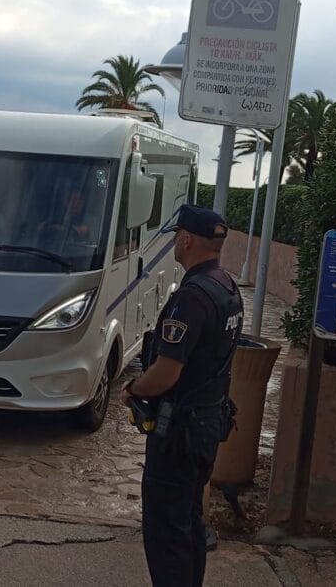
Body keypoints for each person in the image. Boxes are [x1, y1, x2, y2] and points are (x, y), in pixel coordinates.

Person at [120, 204, 243, 587]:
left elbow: (166, 372)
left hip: (179, 434)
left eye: (177, 236)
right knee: (190, 523)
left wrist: (132, 390)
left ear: (187, 240)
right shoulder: (227, 286)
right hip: (206, 426)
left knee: (166, 532)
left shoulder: (192, 297)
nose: (175, 242)